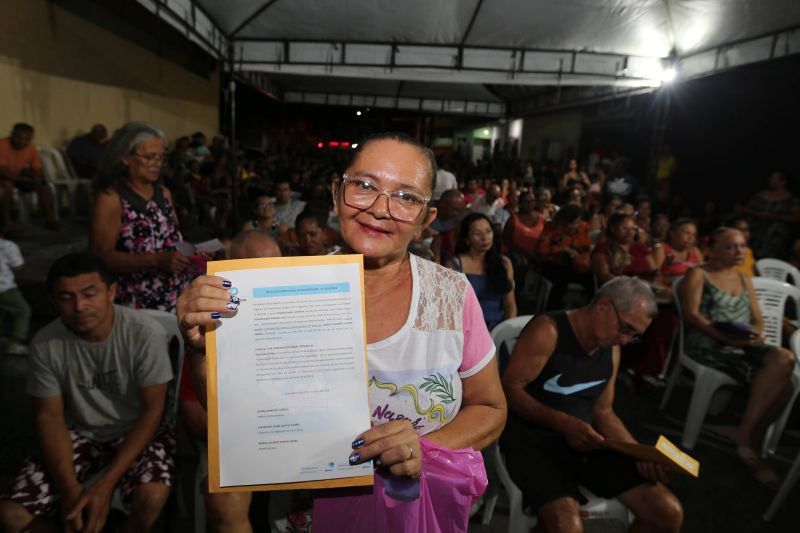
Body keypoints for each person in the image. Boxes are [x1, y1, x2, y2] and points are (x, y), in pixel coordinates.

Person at [176, 132, 507, 530]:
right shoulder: (277, 290)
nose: (380, 209)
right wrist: (201, 346)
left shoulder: (450, 296)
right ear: (336, 194)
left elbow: (491, 408)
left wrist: (425, 448)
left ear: (425, 219)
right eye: (365, 186)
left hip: (414, 513)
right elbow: (235, 417)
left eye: (405, 197)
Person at [0, 253, 174, 533]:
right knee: (11, 514)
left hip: (136, 429)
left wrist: (103, 488)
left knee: (151, 498)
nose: (79, 307)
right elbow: (50, 418)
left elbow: (153, 411)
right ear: (53, 300)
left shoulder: (144, 333)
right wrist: (69, 488)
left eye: (89, 294)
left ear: (111, 292)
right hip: (80, 430)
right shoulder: (45, 343)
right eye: (66, 297)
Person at [501, 277, 683, 533]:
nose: (625, 339)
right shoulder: (549, 330)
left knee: (667, 512)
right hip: (532, 440)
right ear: (603, 307)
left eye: (633, 336)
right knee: (567, 526)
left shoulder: (611, 347)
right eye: (626, 328)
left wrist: (640, 453)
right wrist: (563, 422)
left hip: (585, 441)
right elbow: (510, 389)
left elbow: (604, 412)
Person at [179, 231, 281, 532]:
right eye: (254, 270)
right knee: (223, 506)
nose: (266, 278)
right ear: (229, 269)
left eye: (274, 268)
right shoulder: (210, 320)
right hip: (234, 434)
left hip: (299, 429)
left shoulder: (301, 312)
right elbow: (194, 415)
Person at [680, 227, 795, 488]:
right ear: (714, 249)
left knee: (784, 359)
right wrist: (725, 338)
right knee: (784, 386)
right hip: (708, 344)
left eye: (742, 246)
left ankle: (745, 432)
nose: (739, 251)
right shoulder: (698, 273)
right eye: (731, 246)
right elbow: (692, 315)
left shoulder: (744, 280)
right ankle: (750, 443)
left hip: (741, 344)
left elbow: (757, 318)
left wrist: (755, 334)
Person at [90, 122, 191, 313]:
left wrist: (195, 254)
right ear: (125, 158)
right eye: (150, 157)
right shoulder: (111, 199)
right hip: (138, 302)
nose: (157, 164)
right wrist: (155, 260)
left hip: (175, 296)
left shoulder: (163, 193)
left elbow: (174, 242)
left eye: (161, 158)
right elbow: (101, 258)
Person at [446, 213, 517, 330]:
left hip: (497, 328)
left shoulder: (504, 263)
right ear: (467, 239)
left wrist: (505, 330)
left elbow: (510, 305)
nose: (485, 238)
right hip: (465, 329)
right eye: (478, 234)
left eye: (488, 231)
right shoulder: (454, 264)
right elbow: (449, 308)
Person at [0, 123, 59, 230]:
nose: (22, 141)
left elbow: (36, 168)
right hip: (4, 177)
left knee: (44, 184)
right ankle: (7, 223)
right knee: (6, 185)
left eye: (26, 139)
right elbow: (3, 171)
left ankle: (51, 220)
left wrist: (37, 177)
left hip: (19, 176)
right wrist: (26, 180)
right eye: (18, 137)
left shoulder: (32, 148)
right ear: (12, 135)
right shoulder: (2, 145)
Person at [536, 204, 593, 309]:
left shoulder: (583, 227)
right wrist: (561, 249)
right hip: (552, 264)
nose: (574, 225)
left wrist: (576, 247)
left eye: (577, 222)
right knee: (561, 278)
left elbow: (586, 246)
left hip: (574, 264)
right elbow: (542, 250)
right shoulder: (551, 227)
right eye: (571, 223)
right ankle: (552, 311)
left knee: (591, 277)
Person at [744, 171, 800, 259]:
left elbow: (796, 217)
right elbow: (746, 208)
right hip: (754, 235)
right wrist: (756, 214)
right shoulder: (760, 195)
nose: (770, 180)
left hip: (775, 240)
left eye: (774, 178)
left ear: (783, 182)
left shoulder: (792, 200)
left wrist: (773, 216)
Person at [592, 213, 657, 285]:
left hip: (646, 288)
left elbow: (654, 270)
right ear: (613, 228)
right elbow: (604, 276)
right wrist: (632, 285)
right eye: (624, 228)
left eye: (633, 229)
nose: (630, 232)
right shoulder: (603, 249)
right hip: (619, 290)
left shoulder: (640, 247)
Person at [0, 218, 31, 355]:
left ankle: (3, 339)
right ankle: (15, 341)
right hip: (5, 289)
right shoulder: (8, 246)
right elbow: (18, 267)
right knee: (23, 311)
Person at [503, 190, 545, 264]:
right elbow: (507, 240)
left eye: (532, 201)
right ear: (520, 203)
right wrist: (524, 252)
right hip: (516, 256)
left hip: (536, 256)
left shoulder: (541, 218)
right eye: (526, 201)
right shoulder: (513, 219)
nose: (529, 204)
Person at [656, 218, 702, 284]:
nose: (691, 237)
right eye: (687, 233)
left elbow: (702, 276)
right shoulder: (661, 249)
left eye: (693, 234)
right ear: (672, 234)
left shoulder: (696, 252)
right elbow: (654, 277)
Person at [430, 188, 465, 264]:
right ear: (443, 203)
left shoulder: (455, 220)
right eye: (455, 209)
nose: (456, 213)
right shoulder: (426, 210)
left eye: (459, 210)